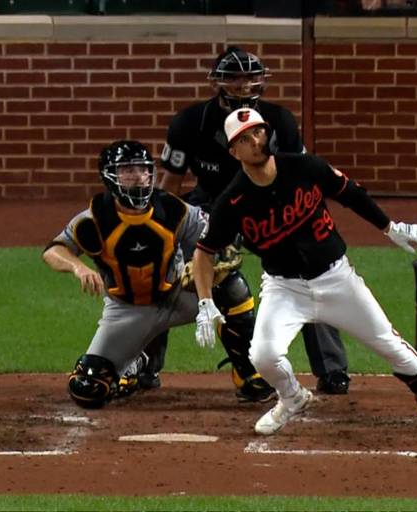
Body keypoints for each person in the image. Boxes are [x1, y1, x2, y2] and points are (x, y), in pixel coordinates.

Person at [191, 107, 417, 435]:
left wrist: (389, 227)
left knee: (390, 345)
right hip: (285, 289)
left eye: (258, 131)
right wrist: (205, 302)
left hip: (336, 279)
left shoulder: (305, 167)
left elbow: (349, 193)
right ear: (233, 151)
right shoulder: (233, 201)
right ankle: (292, 397)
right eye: (244, 138)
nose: (255, 141)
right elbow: (204, 252)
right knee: (263, 355)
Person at [145, 45, 351, 397]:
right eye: (235, 77)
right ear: (218, 82)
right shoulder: (189, 123)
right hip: (210, 208)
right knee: (160, 263)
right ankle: (145, 367)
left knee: (310, 270)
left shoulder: (280, 120)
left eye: (250, 76)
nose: (243, 84)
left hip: (271, 206)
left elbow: (298, 175)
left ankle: (332, 369)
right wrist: (164, 233)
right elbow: (172, 184)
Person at [42, 140, 269, 407]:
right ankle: (139, 361)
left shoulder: (172, 209)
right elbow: (53, 251)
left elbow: (216, 240)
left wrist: (205, 264)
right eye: (128, 170)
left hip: (176, 296)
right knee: (87, 388)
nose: (139, 177)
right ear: (109, 176)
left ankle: (248, 370)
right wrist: (77, 266)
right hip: (127, 311)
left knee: (231, 287)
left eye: (143, 169)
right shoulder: (95, 219)